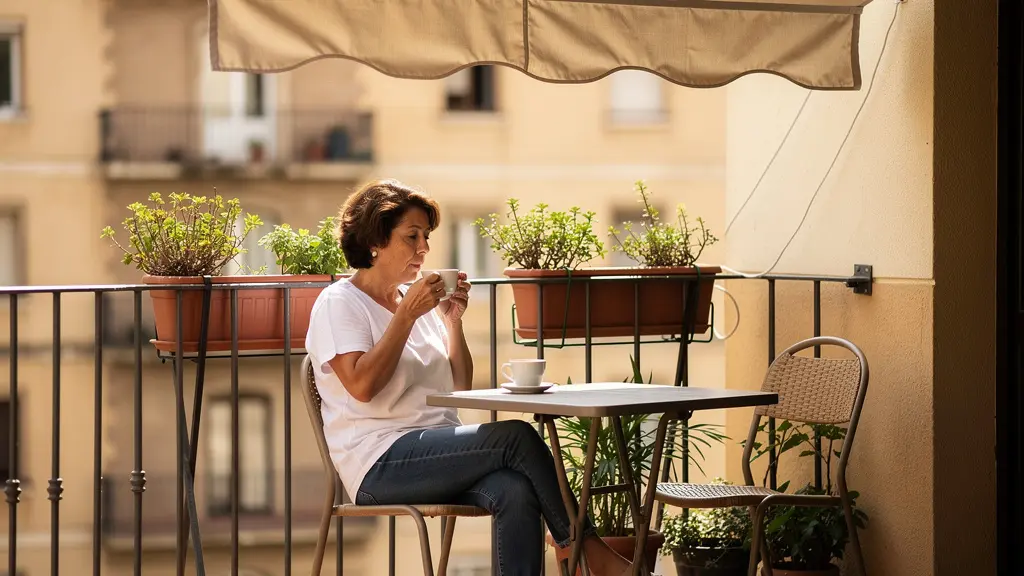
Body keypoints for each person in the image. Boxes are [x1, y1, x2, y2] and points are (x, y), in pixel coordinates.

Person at [305, 179, 633, 575]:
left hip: (436, 454)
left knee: (514, 489)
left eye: (426, 236)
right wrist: (407, 316)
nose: (424, 247)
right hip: (378, 462)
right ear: (375, 240)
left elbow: (459, 386)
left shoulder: (413, 301)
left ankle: (580, 552)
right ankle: (584, 551)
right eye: (412, 236)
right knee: (516, 436)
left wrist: (452, 323)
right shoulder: (340, 303)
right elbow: (361, 387)